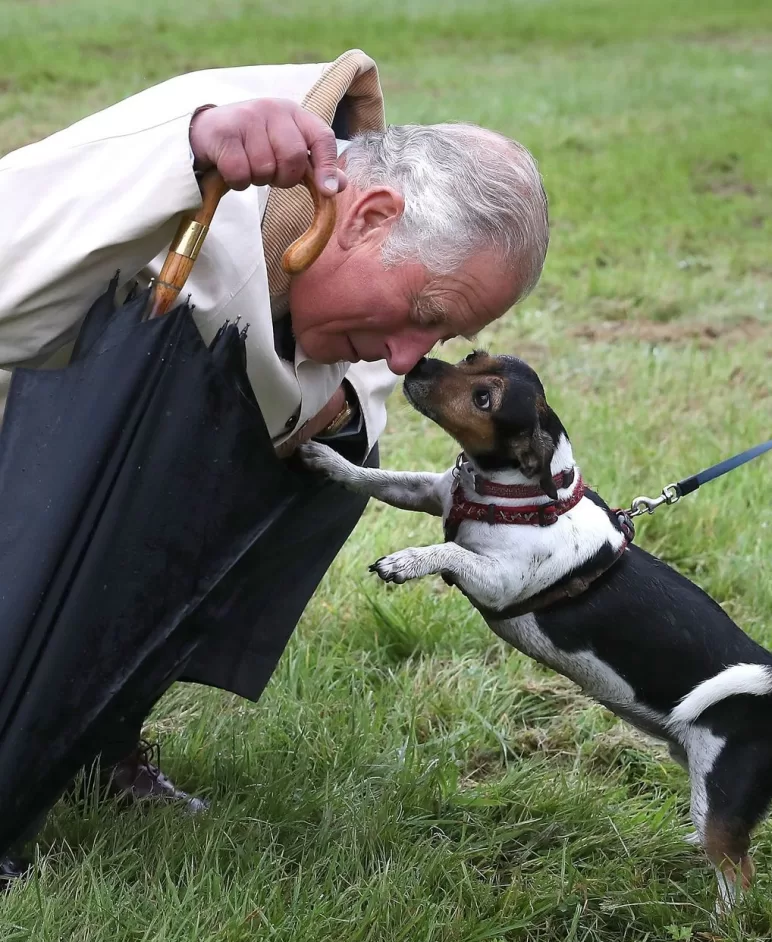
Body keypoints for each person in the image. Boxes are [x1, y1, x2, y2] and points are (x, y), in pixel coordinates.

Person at [0, 49, 549, 870]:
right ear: (367, 217)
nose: (409, 359)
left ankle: (91, 724)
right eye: (422, 314)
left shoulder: (337, 236)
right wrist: (189, 148)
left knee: (336, 457)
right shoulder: (219, 138)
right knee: (156, 389)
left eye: (439, 339)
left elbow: (342, 375)